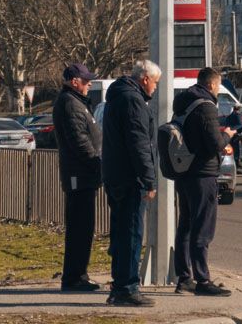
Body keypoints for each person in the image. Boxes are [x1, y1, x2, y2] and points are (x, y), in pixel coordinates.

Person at [101, 60, 161, 307]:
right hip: (130, 178)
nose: (156, 88)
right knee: (131, 234)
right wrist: (149, 179)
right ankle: (127, 288)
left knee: (121, 233)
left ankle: (119, 285)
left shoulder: (117, 97)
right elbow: (140, 144)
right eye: (156, 83)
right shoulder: (133, 101)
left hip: (116, 175)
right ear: (145, 79)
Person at [172, 68, 234, 296]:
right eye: (217, 86)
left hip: (184, 172)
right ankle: (202, 280)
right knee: (203, 227)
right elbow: (213, 143)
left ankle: (184, 277)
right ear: (211, 85)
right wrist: (228, 135)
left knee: (186, 225)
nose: (217, 90)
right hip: (203, 173)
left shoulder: (182, 104)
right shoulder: (206, 106)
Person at [52, 62, 102, 292]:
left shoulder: (75, 102)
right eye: (86, 80)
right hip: (79, 175)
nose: (89, 84)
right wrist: (96, 163)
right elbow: (79, 141)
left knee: (83, 227)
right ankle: (74, 277)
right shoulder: (70, 104)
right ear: (75, 82)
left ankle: (78, 273)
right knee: (79, 227)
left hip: (83, 174)